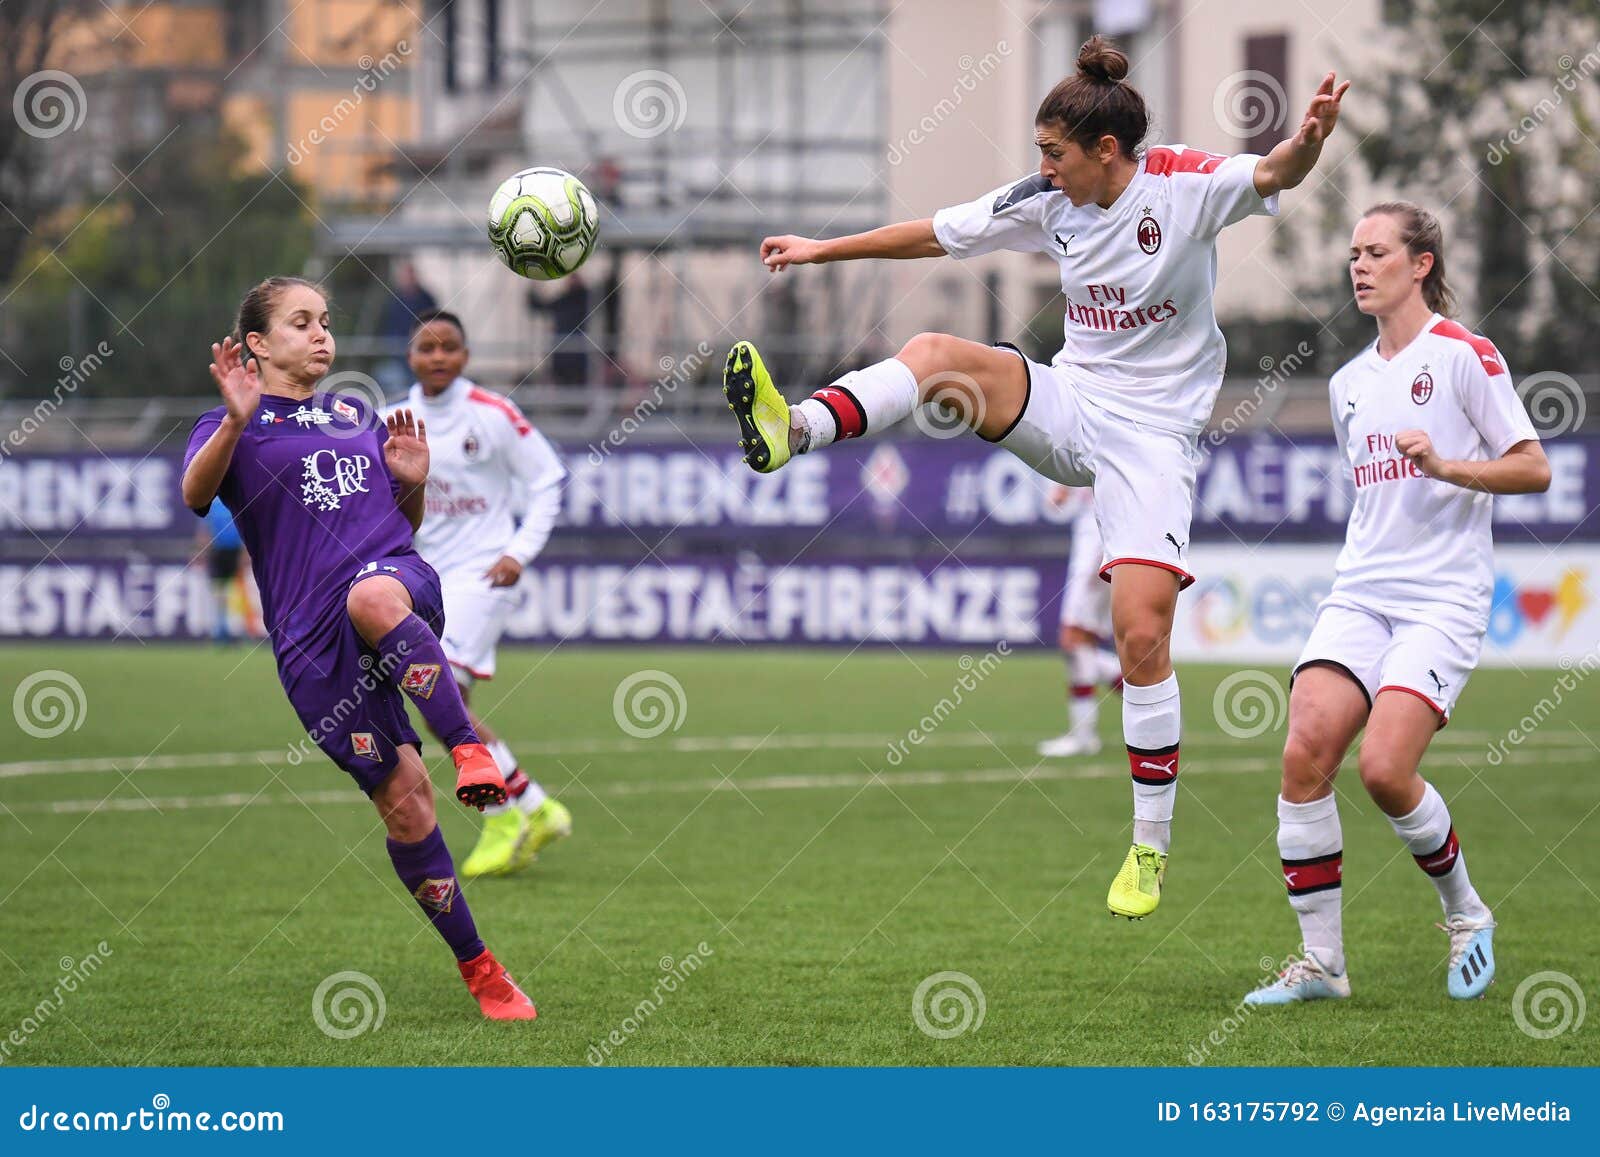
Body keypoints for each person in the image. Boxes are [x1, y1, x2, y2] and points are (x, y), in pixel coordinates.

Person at [722, 36, 1348, 918]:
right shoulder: (1047, 200)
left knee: (1139, 635)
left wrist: (1311, 141)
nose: (1041, 169)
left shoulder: (1181, 185)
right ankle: (797, 430)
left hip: (1157, 440)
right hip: (1074, 401)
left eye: (1054, 153)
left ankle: (1148, 847)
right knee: (936, 353)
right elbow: (935, 234)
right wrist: (822, 249)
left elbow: (1274, 173)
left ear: (1105, 151)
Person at [180, 276, 537, 1021]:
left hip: (395, 583)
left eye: (325, 320)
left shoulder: (354, 413)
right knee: (406, 805)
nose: (321, 335)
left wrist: (412, 482)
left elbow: (399, 523)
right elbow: (193, 494)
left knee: (372, 595)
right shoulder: (232, 423)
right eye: (301, 322)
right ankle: (482, 969)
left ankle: (469, 745)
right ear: (257, 343)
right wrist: (235, 424)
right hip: (312, 643)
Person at [1244, 204, 1549, 1005]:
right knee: (1304, 750)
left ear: (1420, 264)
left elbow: (1533, 468)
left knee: (1384, 769)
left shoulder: (1464, 355)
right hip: (1361, 591)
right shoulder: (1348, 384)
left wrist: (1448, 467)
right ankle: (1322, 965)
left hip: (1443, 599)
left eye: (1376, 251)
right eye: (1353, 253)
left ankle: (1466, 912)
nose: (1359, 265)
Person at [386, 309, 572, 879]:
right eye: (426, 348)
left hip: (482, 575)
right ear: (411, 357)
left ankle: (502, 815)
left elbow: (549, 479)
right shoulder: (392, 417)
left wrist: (519, 550)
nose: (437, 357)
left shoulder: (492, 414)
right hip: (422, 578)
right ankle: (536, 807)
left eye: (449, 348)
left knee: (441, 700)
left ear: (465, 356)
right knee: (441, 703)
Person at [1037, 485, 1122, 758]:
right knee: (1080, 644)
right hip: (1094, 545)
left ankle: (1084, 737)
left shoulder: (1106, 447)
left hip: (1098, 548)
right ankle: (1153, 703)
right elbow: (1058, 503)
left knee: (1073, 639)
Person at [196, 499, 245, 644]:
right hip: (218, 551)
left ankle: (233, 629)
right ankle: (221, 630)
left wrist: (244, 552)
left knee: (232, 592)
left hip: (232, 551)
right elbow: (205, 529)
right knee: (220, 592)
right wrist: (202, 551)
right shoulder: (214, 502)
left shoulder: (230, 499)